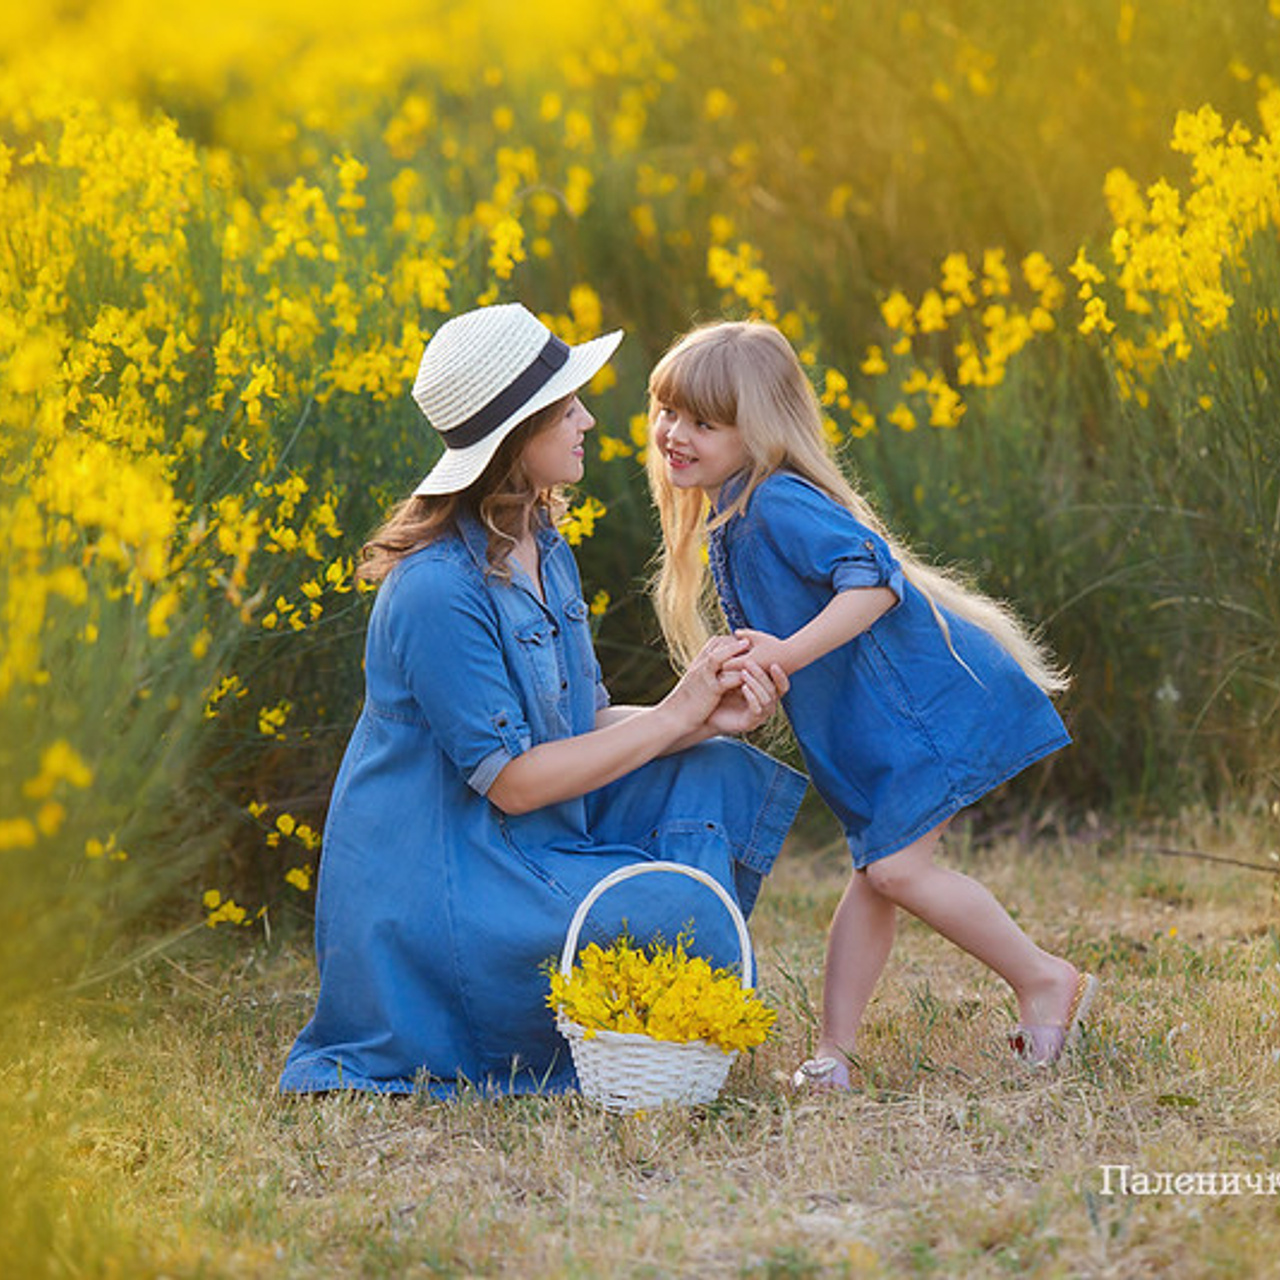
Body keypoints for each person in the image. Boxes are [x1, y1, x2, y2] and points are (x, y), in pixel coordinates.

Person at [279, 303, 806, 1097]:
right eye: (566, 408)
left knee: (711, 767)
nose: (589, 418)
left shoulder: (542, 544)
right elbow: (516, 780)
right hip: (453, 884)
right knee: (663, 923)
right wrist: (669, 716)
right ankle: (641, 1014)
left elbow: (583, 724)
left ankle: (660, 1012)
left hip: (531, 840)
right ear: (517, 434)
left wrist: (694, 717)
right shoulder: (433, 590)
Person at [644, 318, 1096, 1089]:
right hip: (881, 728)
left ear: (756, 430)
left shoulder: (776, 502)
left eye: (703, 422)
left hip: (927, 711)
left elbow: (876, 582)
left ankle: (1048, 980)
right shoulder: (735, 510)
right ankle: (836, 1056)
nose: (673, 434)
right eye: (667, 412)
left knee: (891, 869)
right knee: (876, 872)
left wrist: (783, 654)